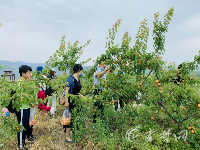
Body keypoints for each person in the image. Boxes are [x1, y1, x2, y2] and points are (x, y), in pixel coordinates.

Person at [63, 64, 84, 143]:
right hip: (71, 100)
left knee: (76, 116)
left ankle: (74, 133)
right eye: (81, 71)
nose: (82, 72)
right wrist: (67, 102)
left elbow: (77, 92)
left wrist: (81, 96)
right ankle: (67, 137)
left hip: (77, 100)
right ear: (79, 70)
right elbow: (66, 91)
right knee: (69, 118)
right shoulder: (70, 79)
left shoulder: (77, 79)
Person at [15, 65, 34, 149]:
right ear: (23, 74)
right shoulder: (20, 83)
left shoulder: (27, 82)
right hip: (22, 108)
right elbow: (18, 95)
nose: (30, 74)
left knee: (25, 126)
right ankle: (20, 146)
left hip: (27, 107)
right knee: (21, 127)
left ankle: (23, 142)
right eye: (29, 73)